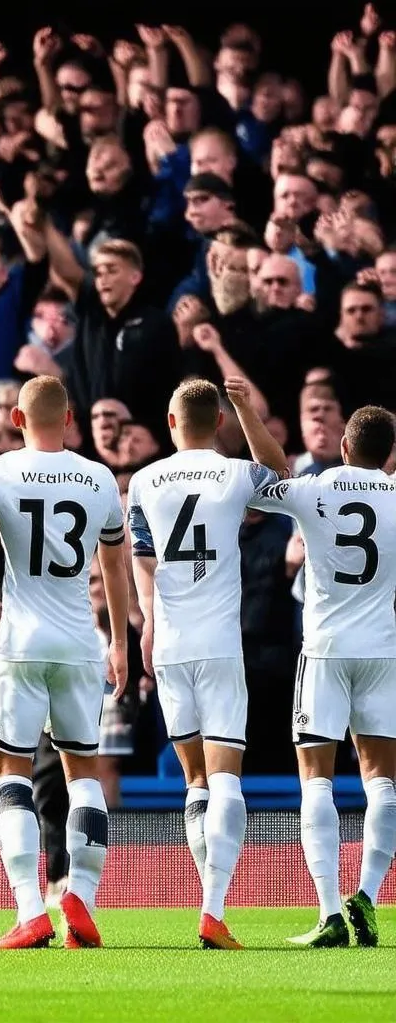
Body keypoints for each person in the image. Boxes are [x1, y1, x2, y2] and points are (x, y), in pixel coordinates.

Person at [0, 375, 130, 950]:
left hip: (21, 644)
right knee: (83, 776)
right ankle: (83, 898)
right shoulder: (97, 477)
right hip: (79, 645)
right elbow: (114, 567)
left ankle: (29, 910)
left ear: (18, 420)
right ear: (69, 419)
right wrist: (117, 641)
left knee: (11, 773)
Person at [126, 376, 289, 949]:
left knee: (194, 780)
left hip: (169, 644)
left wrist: (145, 624)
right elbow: (281, 472)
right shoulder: (234, 472)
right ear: (217, 422)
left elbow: (141, 558)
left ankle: (208, 900)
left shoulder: (143, 481)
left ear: (171, 424)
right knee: (226, 778)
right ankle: (213, 907)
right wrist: (249, 409)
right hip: (220, 642)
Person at [248, 406, 396, 948]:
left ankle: (330, 910)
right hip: (383, 649)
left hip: (326, 650)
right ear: (388, 453)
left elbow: (268, 477)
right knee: (382, 779)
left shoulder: (315, 489)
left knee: (317, 778)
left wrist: (246, 412)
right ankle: (372, 895)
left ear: (346, 446)